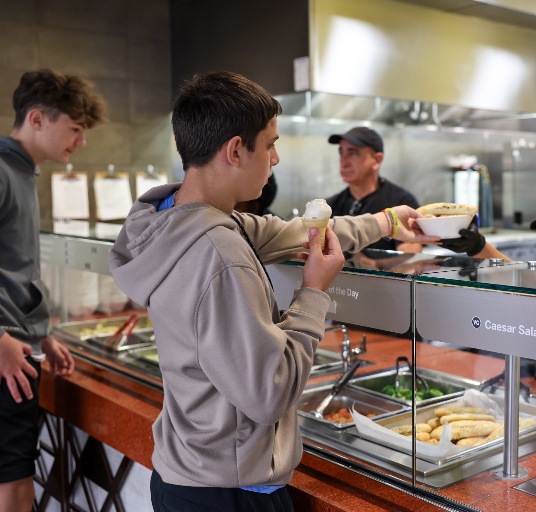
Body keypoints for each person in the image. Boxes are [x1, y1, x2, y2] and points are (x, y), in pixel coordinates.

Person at [108, 71, 438, 512]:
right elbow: (270, 392)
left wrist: (388, 222)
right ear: (235, 150)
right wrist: (314, 292)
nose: (276, 158)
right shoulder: (220, 254)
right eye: (270, 144)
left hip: (186, 471)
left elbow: (299, 232)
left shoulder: (175, 221)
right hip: (230, 492)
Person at [0, 69, 105, 512]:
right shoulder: (4, 171)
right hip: (7, 355)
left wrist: (40, 333)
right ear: (38, 118)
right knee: (14, 477)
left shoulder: (24, 171)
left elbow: (14, 272)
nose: (81, 142)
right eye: (75, 129)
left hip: (19, 345)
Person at [326, 126, 423, 253]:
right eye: (341, 153)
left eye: (353, 153)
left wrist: (375, 264)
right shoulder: (331, 205)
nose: (344, 162)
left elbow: (410, 255)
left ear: (377, 160)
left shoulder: (401, 202)